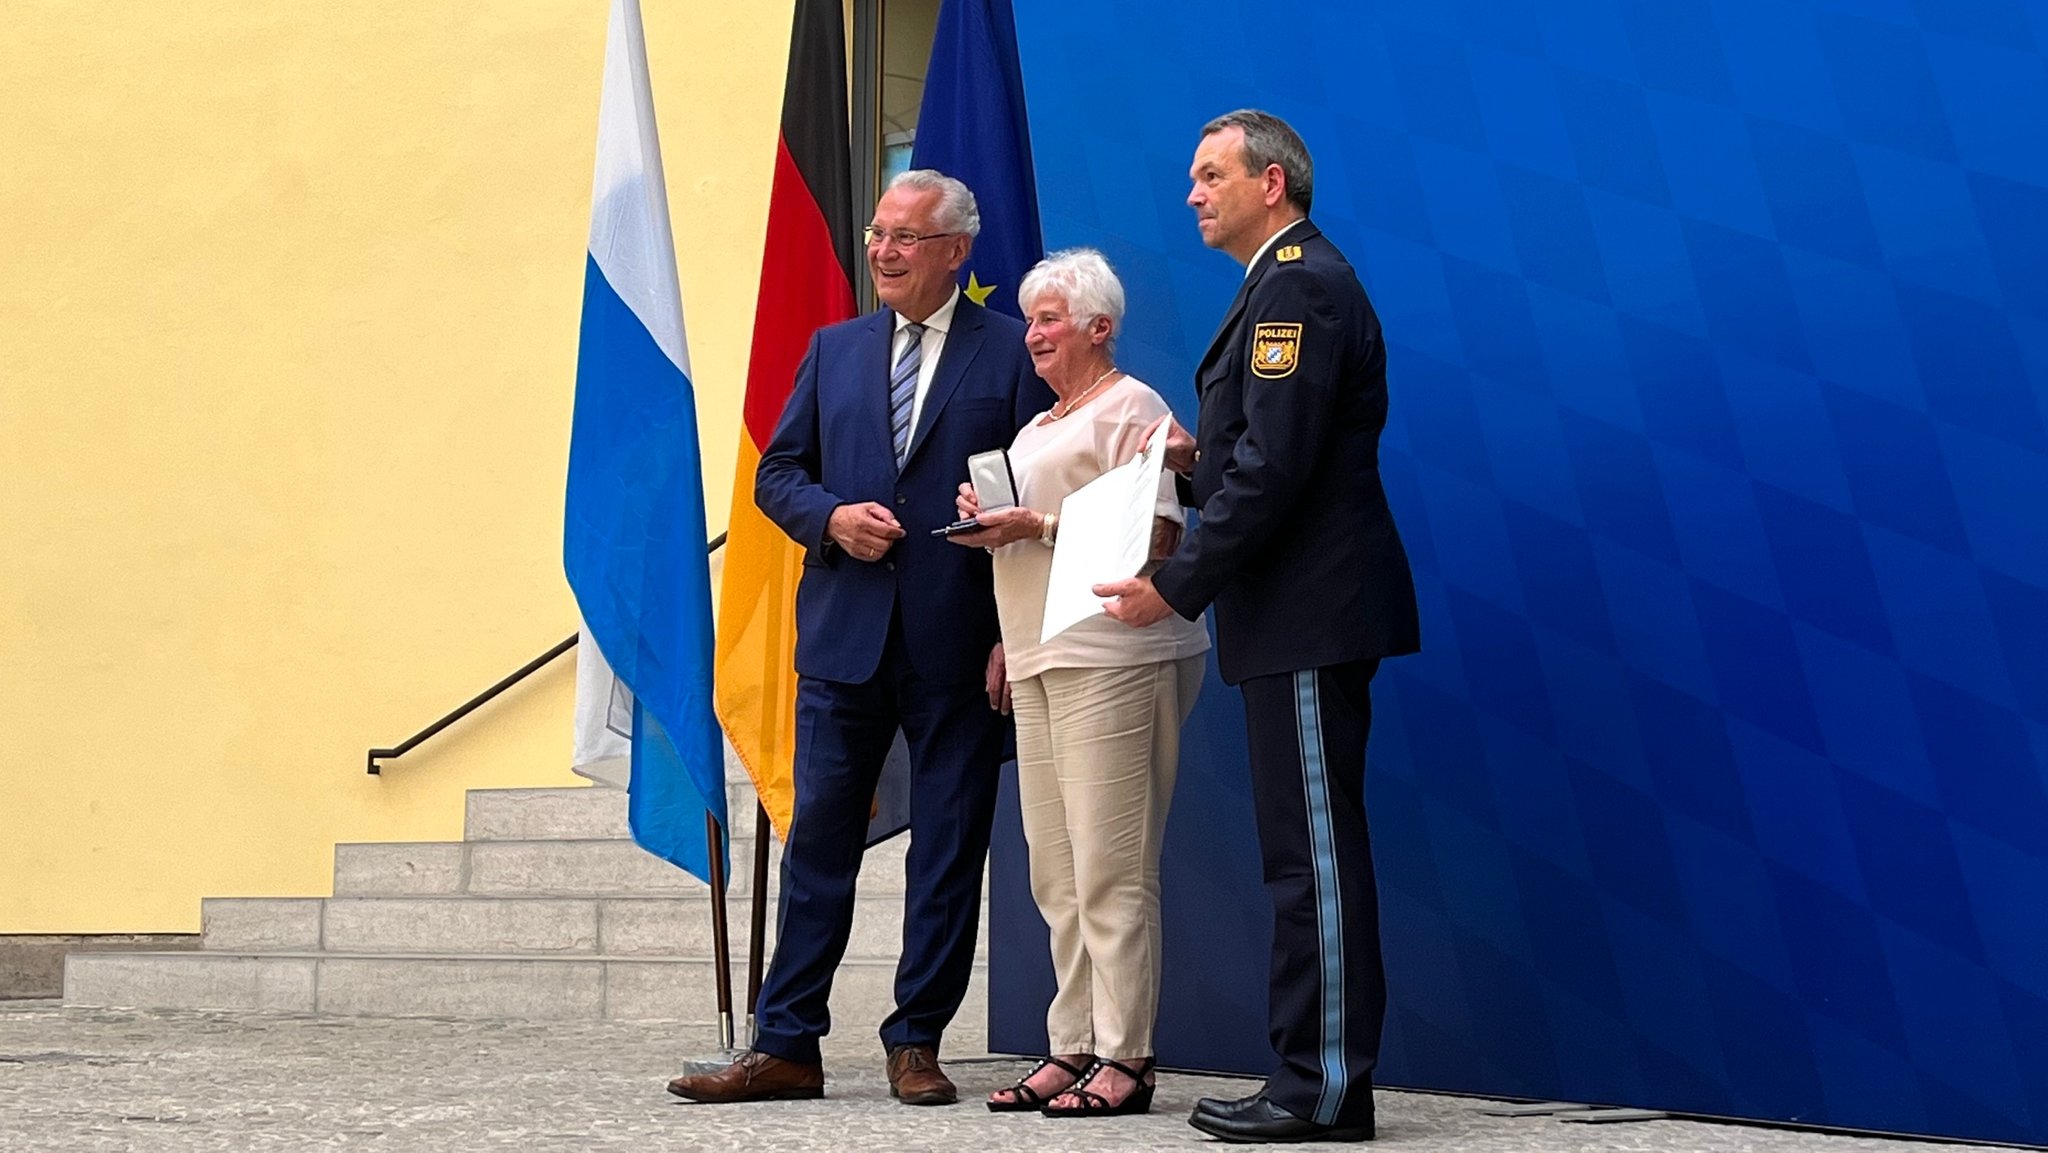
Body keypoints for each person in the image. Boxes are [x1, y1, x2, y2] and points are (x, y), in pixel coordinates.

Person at [667, 170, 1053, 1108]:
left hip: (959, 641)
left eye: (906, 238)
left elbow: (1029, 495)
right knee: (818, 850)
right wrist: (833, 517)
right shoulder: (835, 349)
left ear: (957, 252)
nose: (882, 250)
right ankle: (787, 1043)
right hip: (843, 640)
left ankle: (916, 1040)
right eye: (878, 233)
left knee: (950, 850)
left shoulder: (1009, 353)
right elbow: (780, 474)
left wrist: (1012, 632)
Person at [1094, 110, 1420, 1143]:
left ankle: (1320, 1085)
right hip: (1291, 614)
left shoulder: (1296, 285)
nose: (1191, 192)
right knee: (1299, 854)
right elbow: (1266, 447)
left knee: (1312, 857)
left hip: (1309, 612)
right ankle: (1307, 1074)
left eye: (1209, 174)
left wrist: (1175, 580)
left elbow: (1275, 471)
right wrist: (1193, 456)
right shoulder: (1277, 285)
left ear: (1269, 184)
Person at [946, 249, 1209, 1118]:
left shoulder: (1134, 408)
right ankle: (1074, 1045)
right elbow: (1026, 547)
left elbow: (1159, 543)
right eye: (1030, 319)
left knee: (1110, 866)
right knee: (1055, 872)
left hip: (1116, 658)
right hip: (1038, 657)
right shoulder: (1032, 432)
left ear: (1100, 327)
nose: (1034, 334)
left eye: (1051, 318)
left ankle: (1125, 1055)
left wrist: (1040, 520)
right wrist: (998, 554)